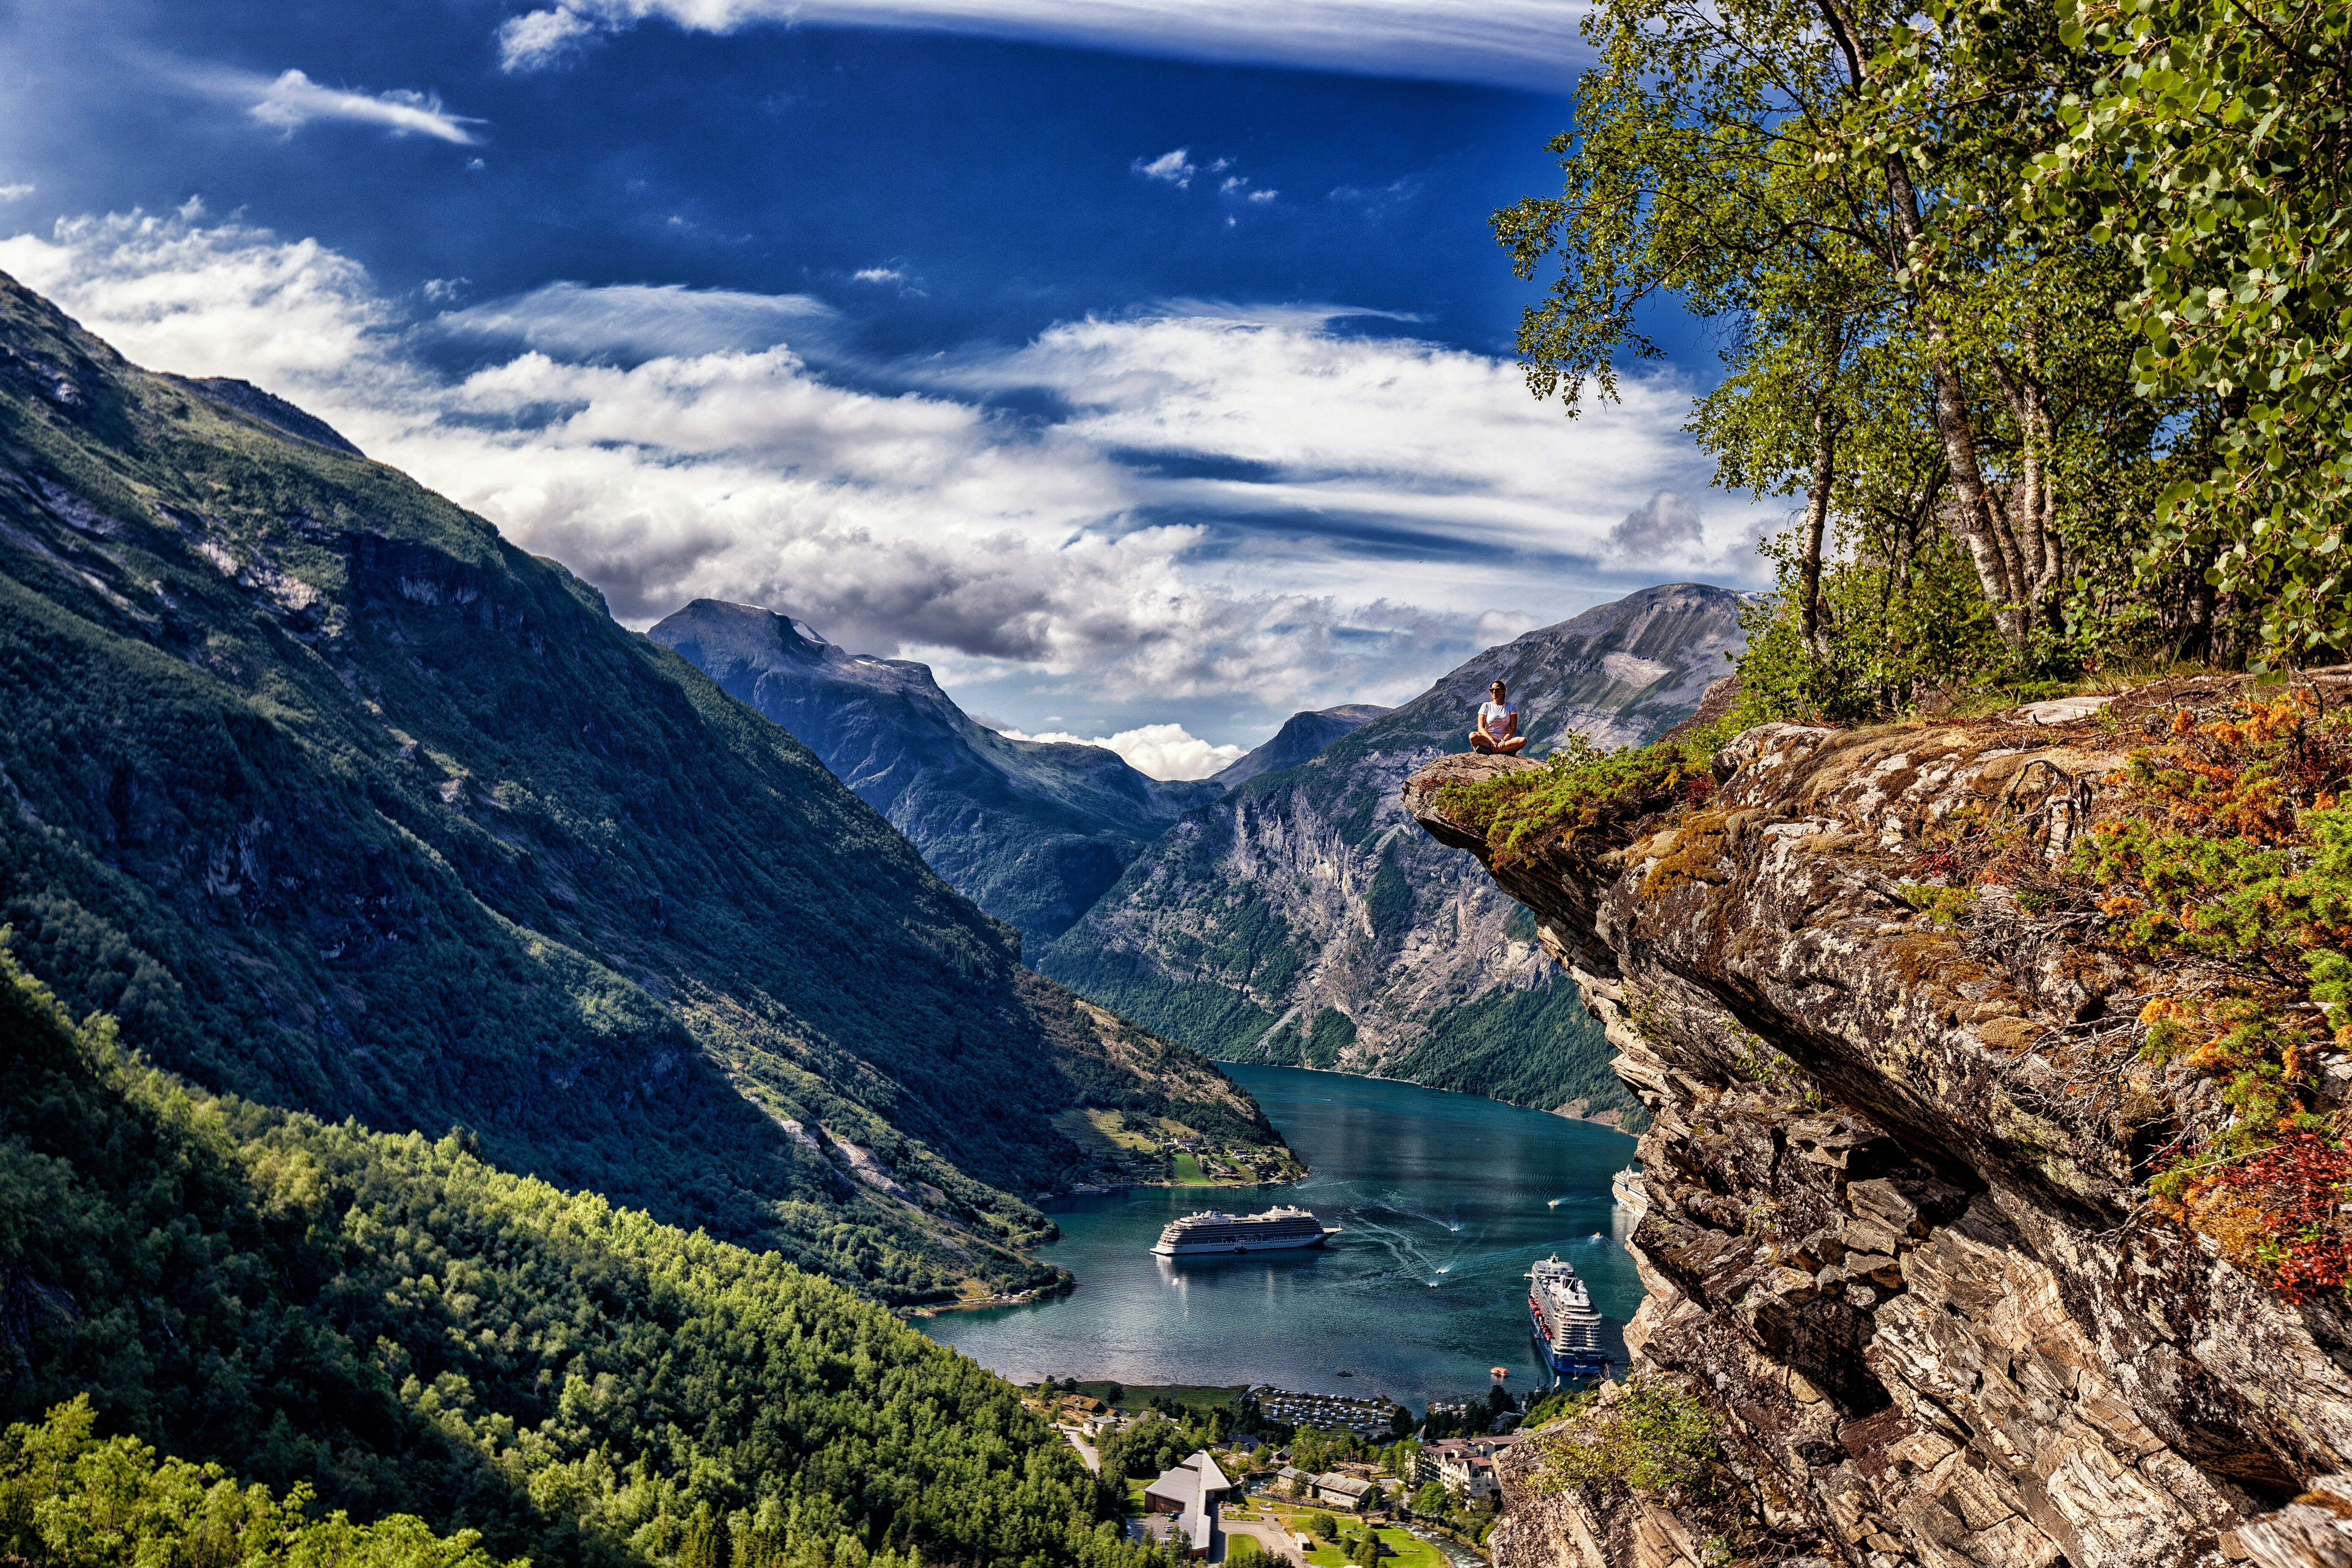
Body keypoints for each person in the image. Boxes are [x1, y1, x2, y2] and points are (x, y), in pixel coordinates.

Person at [1470, 680, 1524, 754]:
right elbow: (1481, 728)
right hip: (1489, 741)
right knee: (1473, 736)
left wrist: (1504, 740)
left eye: (1497, 690)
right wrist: (1491, 740)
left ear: (1503, 691)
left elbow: (1513, 729)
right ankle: (1506, 751)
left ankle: (1491, 751)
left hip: (1504, 742)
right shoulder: (1486, 706)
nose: (1494, 692)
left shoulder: (1511, 707)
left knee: (1523, 741)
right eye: (1492, 690)